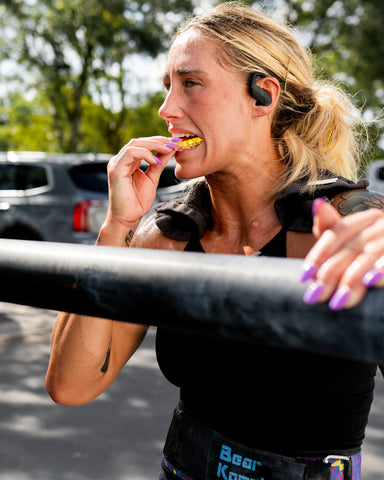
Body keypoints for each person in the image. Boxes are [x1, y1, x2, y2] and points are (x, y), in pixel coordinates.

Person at [46, 3, 384, 479]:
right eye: (167, 87)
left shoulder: (346, 222)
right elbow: (71, 385)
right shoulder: (164, 238)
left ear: (261, 96)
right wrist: (115, 227)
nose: (166, 110)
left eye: (191, 83)